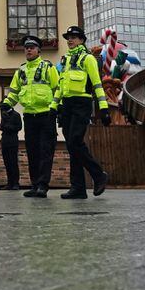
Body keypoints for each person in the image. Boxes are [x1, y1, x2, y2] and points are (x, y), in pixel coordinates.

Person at [55, 26, 110, 200]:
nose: (70, 40)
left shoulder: (88, 59)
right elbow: (61, 86)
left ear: (82, 40)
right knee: (73, 147)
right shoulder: (65, 60)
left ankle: (98, 175)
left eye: (74, 37)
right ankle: (78, 187)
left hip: (82, 103)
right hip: (67, 106)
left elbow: (97, 84)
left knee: (75, 141)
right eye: (68, 37)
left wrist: (104, 108)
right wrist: (53, 107)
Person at [1, 34, 59, 197]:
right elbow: (14, 92)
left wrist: (56, 109)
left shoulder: (48, 67)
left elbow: (57, 89)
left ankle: (42, 185)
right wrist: (7, 103)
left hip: (46, 115)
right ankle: (35, 185)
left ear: (39, 50)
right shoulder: (21, 71)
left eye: (32, 47)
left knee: (45, 151)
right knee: (32, 151)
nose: (28, 50)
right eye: (26, 48)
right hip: (29, 117)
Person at [0, 100, 23, 191]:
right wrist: (1, 127)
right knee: (7, 163)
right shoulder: (3, 115)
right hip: (5, 140)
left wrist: (6, 126)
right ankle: (10, 183)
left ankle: (16, 183)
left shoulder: (16, 115)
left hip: (13, 141)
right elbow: (4, 127)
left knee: (13, 162)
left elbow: (18, 127)